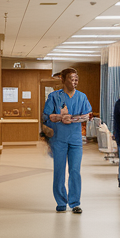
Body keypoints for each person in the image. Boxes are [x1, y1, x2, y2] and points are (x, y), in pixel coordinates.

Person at [43, 67, 92, 213]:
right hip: (59, 139)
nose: (74, 81)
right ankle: (61, 202)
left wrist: (74, 118)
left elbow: (87, 115)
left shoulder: (82, 97)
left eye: (76, 78)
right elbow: (47, 116)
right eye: (71, 78)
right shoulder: (54, 96)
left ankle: (75, 202)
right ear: (63, 80)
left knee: (75, 170)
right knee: (59, 171)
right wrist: (59, 117)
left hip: (76, 139)